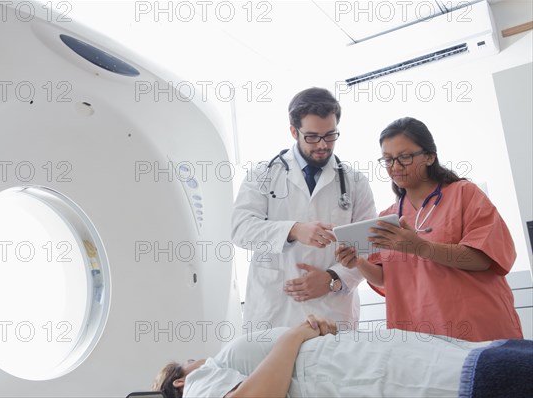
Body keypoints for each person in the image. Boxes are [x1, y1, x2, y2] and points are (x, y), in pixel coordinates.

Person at [335, 116, 523, 342]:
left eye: (404, 157)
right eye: (387, 160)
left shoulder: (464, 194)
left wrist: (420, 247)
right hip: (418, 332)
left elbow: (483, 258)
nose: (395, 166)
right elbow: (386, 278)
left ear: (429, 157)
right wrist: (359, 263)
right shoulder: (387, 217)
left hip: (476, 325)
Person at [231, 87, 376, 330]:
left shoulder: (355, 181)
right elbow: (240, 229)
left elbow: (368, 245)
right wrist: (294, 230)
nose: (322, 145)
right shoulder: (262, 175)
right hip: (275, 309)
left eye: (330, 135)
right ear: (293, 131)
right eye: (312, 136)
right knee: (275, 368)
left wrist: (333, 279)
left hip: (332, 309)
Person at [152, 315, 533, 398]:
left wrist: (318, 333)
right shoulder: (199, 383)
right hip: (406, 373)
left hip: (409, 358)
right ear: (181, 379)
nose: (197, 358)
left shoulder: (226, 363)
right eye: (188, 360)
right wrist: (297, 335)